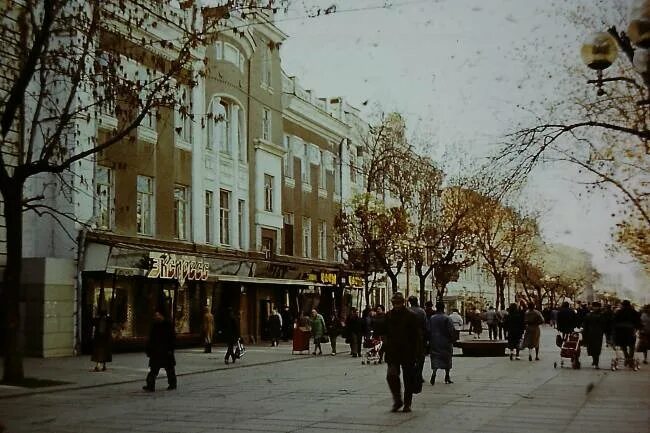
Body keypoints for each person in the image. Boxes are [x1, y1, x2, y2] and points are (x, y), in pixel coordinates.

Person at [384, 292, 422, 413]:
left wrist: (418, 353)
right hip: (392, 351)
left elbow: (417, 336)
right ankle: (397, 400)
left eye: (398, 303)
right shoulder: (388, 315)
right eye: (394, 303)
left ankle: (407, 403)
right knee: (391, 376)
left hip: (408, 351)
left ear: (403, 303)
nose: (396, 305)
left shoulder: (411, 316)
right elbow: (385, 332)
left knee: (408, 378)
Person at [143, 310, 177, 392]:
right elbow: (151, 339)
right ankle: (150, 385)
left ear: (162, 316)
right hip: (156, 352)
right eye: (155, 315)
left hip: (166, 351)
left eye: (158, 315)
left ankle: (172, 384)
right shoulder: (154, 326)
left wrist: (170, 349)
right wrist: (148, 350)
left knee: (169, 369)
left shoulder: (168, 325)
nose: (156, 317)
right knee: (153, 370)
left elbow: (172, 338)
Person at [428, 302, 455, 386]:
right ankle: (447, 376)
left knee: (435, 357)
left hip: (434, 341)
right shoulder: (447, 318)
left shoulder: (432, 318)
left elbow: (429, 329)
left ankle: (434, 373)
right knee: (447, 358)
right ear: (444, 308)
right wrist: (452, 339)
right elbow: (451, 330)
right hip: (445, 341)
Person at [613, 300, 641, 367]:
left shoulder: (619, 312)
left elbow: (614, 321)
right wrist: (637, 328)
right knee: (632, 345)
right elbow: (638, 321)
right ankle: (630, 359)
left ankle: (627, 357)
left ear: (623, 305)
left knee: (623, 345)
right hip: (631, 330)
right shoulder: (634, 312)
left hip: (621, 331)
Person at [408, 296, 428, 384]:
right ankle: (419, 375)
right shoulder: (421, 311)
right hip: (419, 336)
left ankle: (410, 374)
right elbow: (425, 325)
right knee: (420, 357)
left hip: (408, 337)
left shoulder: (407, 311)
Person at [582, 301, 607, 369]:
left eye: (597, 306)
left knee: (596, 348)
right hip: (592, 334)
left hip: (597, 334)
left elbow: (604, 325)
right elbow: (585, 326)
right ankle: (595, 361)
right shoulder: (589, 315)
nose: (595, 308)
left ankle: (596, 362)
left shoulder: (599, 315)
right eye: (594, 306)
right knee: (593, 348)